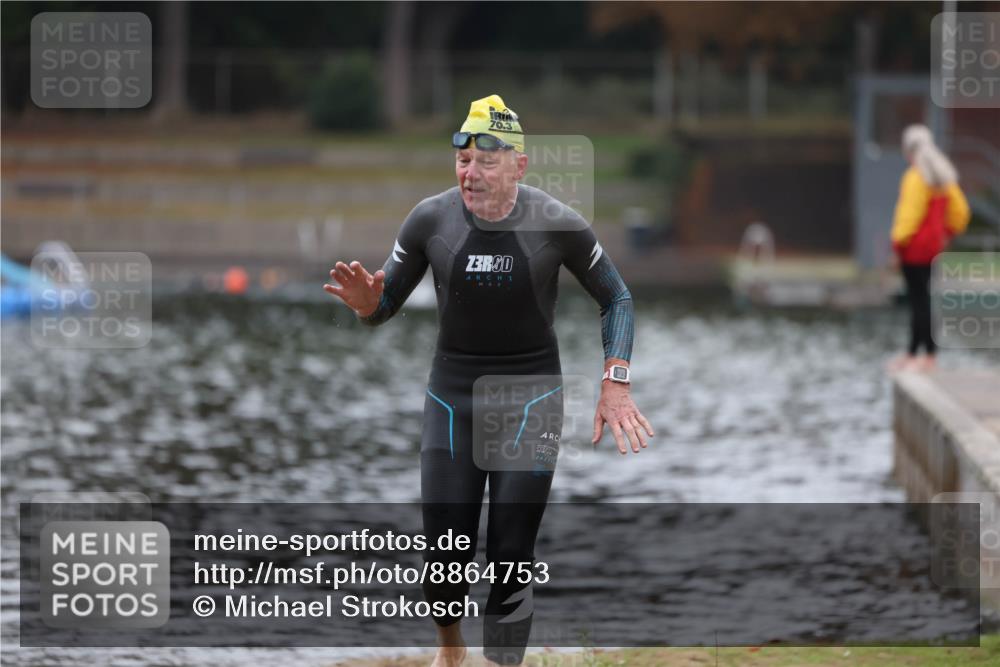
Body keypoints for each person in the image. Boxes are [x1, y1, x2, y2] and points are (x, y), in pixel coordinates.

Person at [323, 94, 653, 666]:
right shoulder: (430, 219)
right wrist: (367, 305)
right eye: (463, 161)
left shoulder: (556, 223)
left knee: (510, 550)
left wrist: (615, 382)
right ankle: (450, 652)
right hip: (451, 399)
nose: (471, 173)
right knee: (444, 550)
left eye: (486, 161)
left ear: (519, 166)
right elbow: (384, 307)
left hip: (532, 400)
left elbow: (616, 296)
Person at [888, 124, 970, 373]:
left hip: (913, 251)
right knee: (924, 300)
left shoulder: (915, 176)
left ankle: (916, 354)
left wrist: (896, 246)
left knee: (918, 301)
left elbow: (908, 218)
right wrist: (947, 233)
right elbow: (961, 212)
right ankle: (926, 355)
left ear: (907, 149)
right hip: (933, 249)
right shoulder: (943, 176)